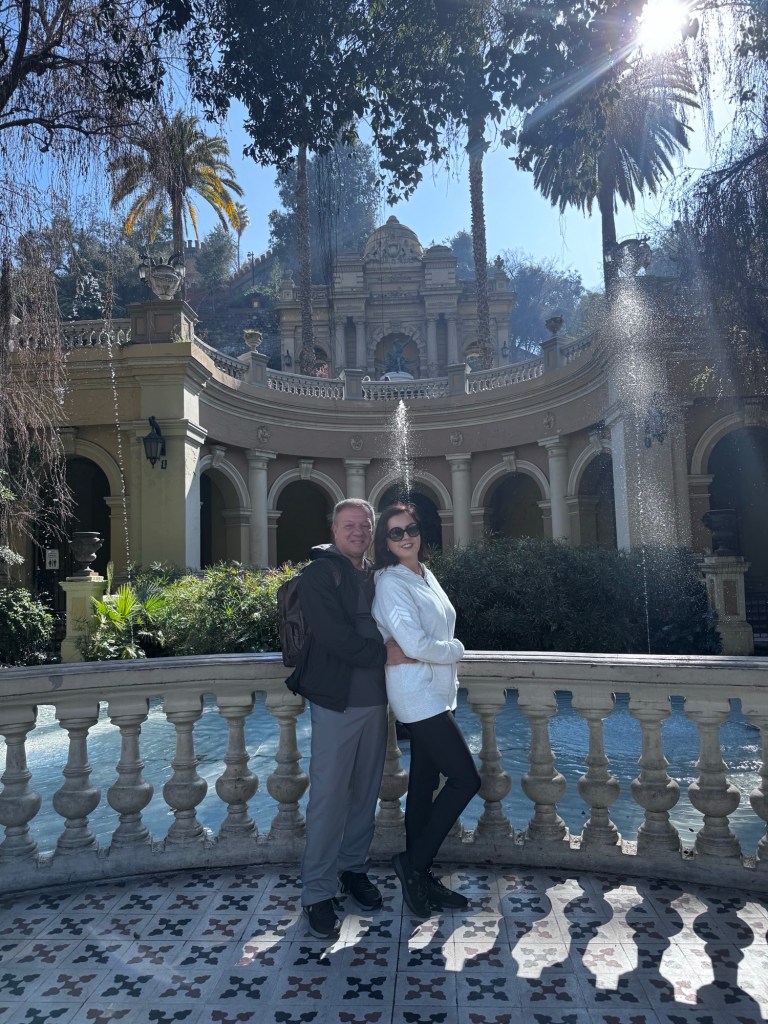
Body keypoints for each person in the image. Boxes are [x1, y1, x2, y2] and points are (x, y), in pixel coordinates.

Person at [286, 498, 410, 940]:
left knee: (365, 794)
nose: (358, 531)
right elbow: (333, 636)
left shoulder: (375, 574)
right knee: (329, 798)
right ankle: (317, 892)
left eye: (365, 525)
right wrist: (384, 653)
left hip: (375, 701)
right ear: (334, 529)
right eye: (349, 525)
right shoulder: (321, 573)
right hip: (336, 702)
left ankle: (352, 869)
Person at [372, 504, 481, 918]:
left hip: (436, 691)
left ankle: (421, 877)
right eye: (395, 532)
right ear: (385, 542)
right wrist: (457, 650)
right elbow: (414, 644)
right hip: (416, 695)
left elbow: (424, 641)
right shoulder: (390, 582)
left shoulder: (423, 573)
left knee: (423, 784)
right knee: (466, 779)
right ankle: (412, 865)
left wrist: (440, 656)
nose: (406, 537)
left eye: (411, 529)